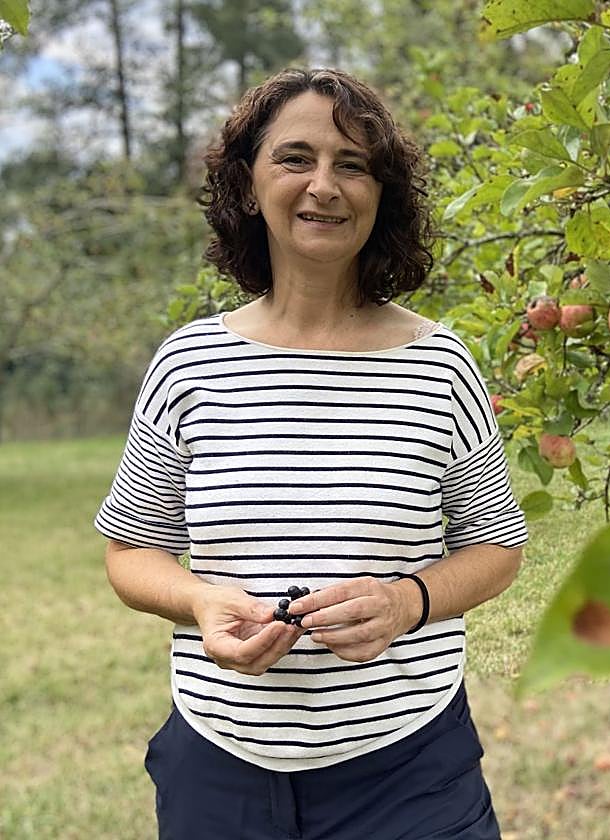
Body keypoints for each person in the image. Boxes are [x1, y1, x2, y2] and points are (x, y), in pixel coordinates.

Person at [94, 67, 528, 839]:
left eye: (351, 164)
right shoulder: (188, 364)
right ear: (248, 184)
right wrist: (198, 600)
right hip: (218, 768)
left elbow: (496, 547)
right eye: (295, 158)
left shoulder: (441, 364)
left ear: (380, 194)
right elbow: (131, 552)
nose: (323, 184)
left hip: (408, 771)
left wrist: (406, 602)